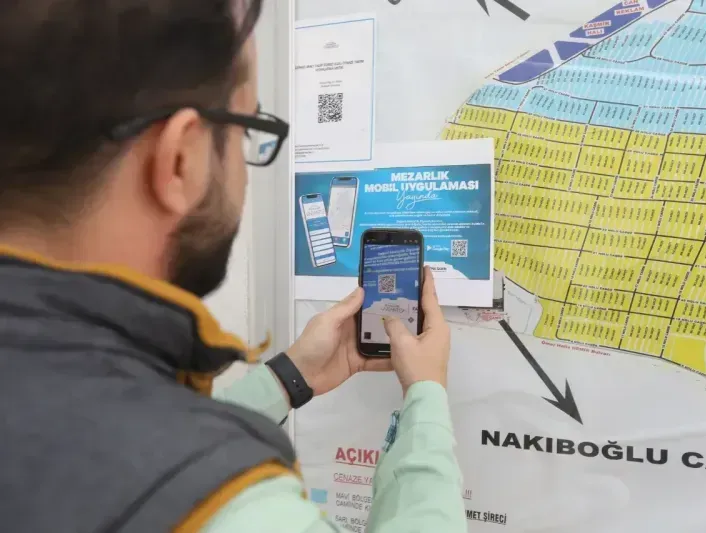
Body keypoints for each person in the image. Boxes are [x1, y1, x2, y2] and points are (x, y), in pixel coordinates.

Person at [0, 1, 468, 532]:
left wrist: (290, 378)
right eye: (248, 129)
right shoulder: (228, 507)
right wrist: (426, 398)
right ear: (181, 159)